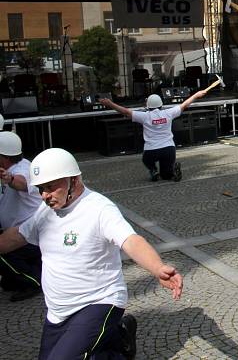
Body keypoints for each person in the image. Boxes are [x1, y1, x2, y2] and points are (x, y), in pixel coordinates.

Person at [0, 148, 183, 359]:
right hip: (58, 312)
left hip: (99, 301)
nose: (44, 195)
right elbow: (16, 236)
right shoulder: (45, 211)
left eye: (50, 187)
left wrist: (157, 268)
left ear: (74, 180)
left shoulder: (99, 209)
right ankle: (118, 336)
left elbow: (131, 241)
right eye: (41, 188)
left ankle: (112, 335)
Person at [100, 90, 207, 182]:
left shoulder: (144, 116)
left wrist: (110, 104)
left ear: (148, 106)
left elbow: (125, 112)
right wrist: (196, 94)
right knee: (166, 175)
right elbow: (184, 104)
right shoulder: (168, 113)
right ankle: (172, 172)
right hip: (169, 149)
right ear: (161, 104)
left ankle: (153, 170)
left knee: (146, 160)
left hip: (151, 150)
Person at [0, 131, 42, 301]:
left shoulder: (23, 169)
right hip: (17, 231)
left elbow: (21, 183)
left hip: (30, 235)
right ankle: (14, 277)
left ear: (4, 157)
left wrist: (9, 179)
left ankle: (33, 281)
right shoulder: (11, 167)